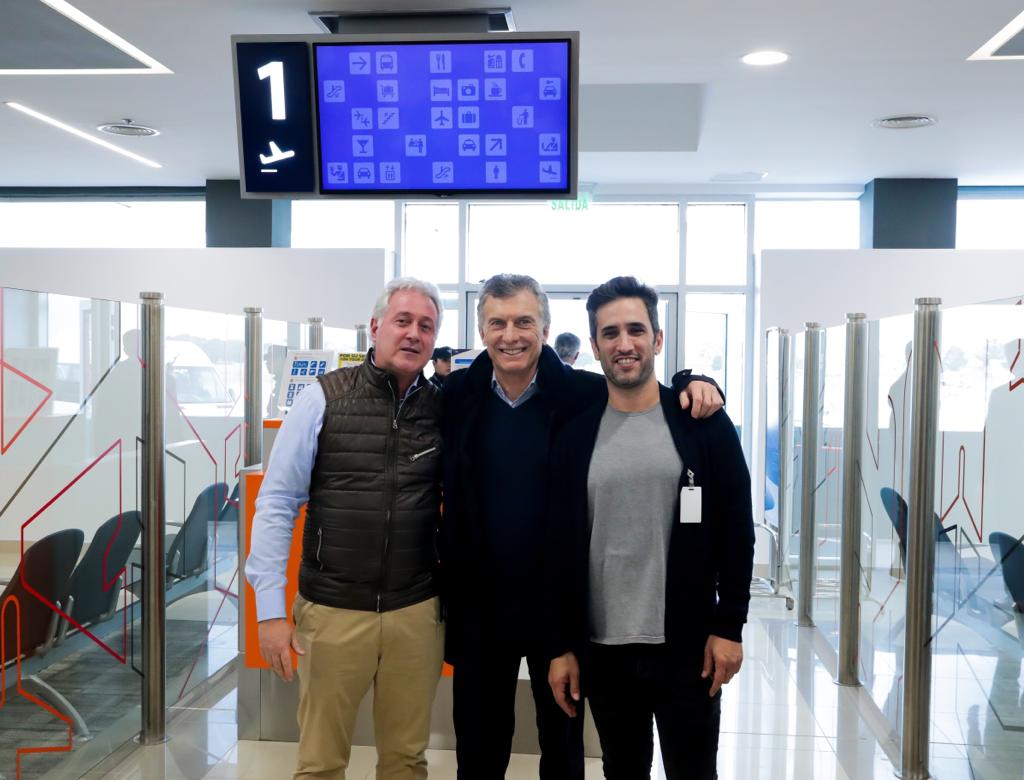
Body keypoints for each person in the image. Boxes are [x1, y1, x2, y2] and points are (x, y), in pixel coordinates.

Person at [439, 273, 724, 780]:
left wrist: (693, 381)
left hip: (562, 607)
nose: (511, 335)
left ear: (545, 329)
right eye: (497, 323)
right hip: (482, 606)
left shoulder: (583, 394)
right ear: (481, 331)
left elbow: (642, 388)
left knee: (564, 748)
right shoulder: (456, 396)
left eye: (524, 321)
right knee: (478, 748)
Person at [544, 276, 754, 780]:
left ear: (657, 339)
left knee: (693, 769)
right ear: (594, 347)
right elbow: (557, 548)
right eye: (610, 333)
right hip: (603, 647)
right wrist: (560, 646)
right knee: (622, 768)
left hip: (687, 645)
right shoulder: (575, 435)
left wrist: (730, 626)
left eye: (636, 330)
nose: (625, 344)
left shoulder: (701, 422)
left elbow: (736, 529)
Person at [246, 277, 446, 780]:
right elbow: (276, 503)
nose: (413, 335)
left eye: (426, 326)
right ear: (376, 328)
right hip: (332, 613)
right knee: (320, 763)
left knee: (406, 761)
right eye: (402, 321)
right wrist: (269, 611)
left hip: (415, 613)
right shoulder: (321, 399)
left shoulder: (442, 408)